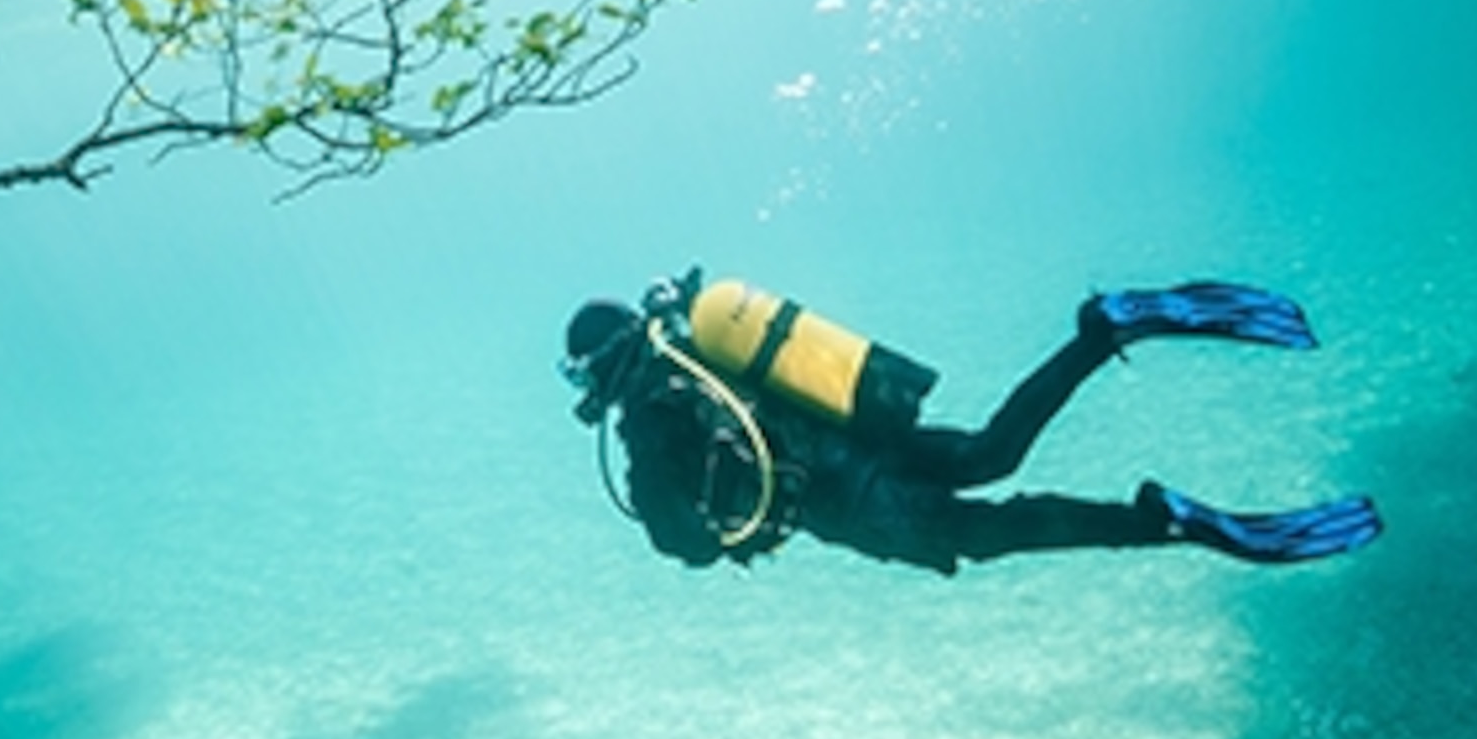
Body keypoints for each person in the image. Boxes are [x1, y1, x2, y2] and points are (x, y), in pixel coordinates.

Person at [560, 271, 1383, 574]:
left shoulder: (649, 414)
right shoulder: (699, 351)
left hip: (851, 500)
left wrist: (708, 534)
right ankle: (1103, 330)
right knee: (993, 450)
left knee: (990, 533)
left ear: (601, 364)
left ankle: (1164, 523)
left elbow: (683, 543)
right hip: (865, 438)